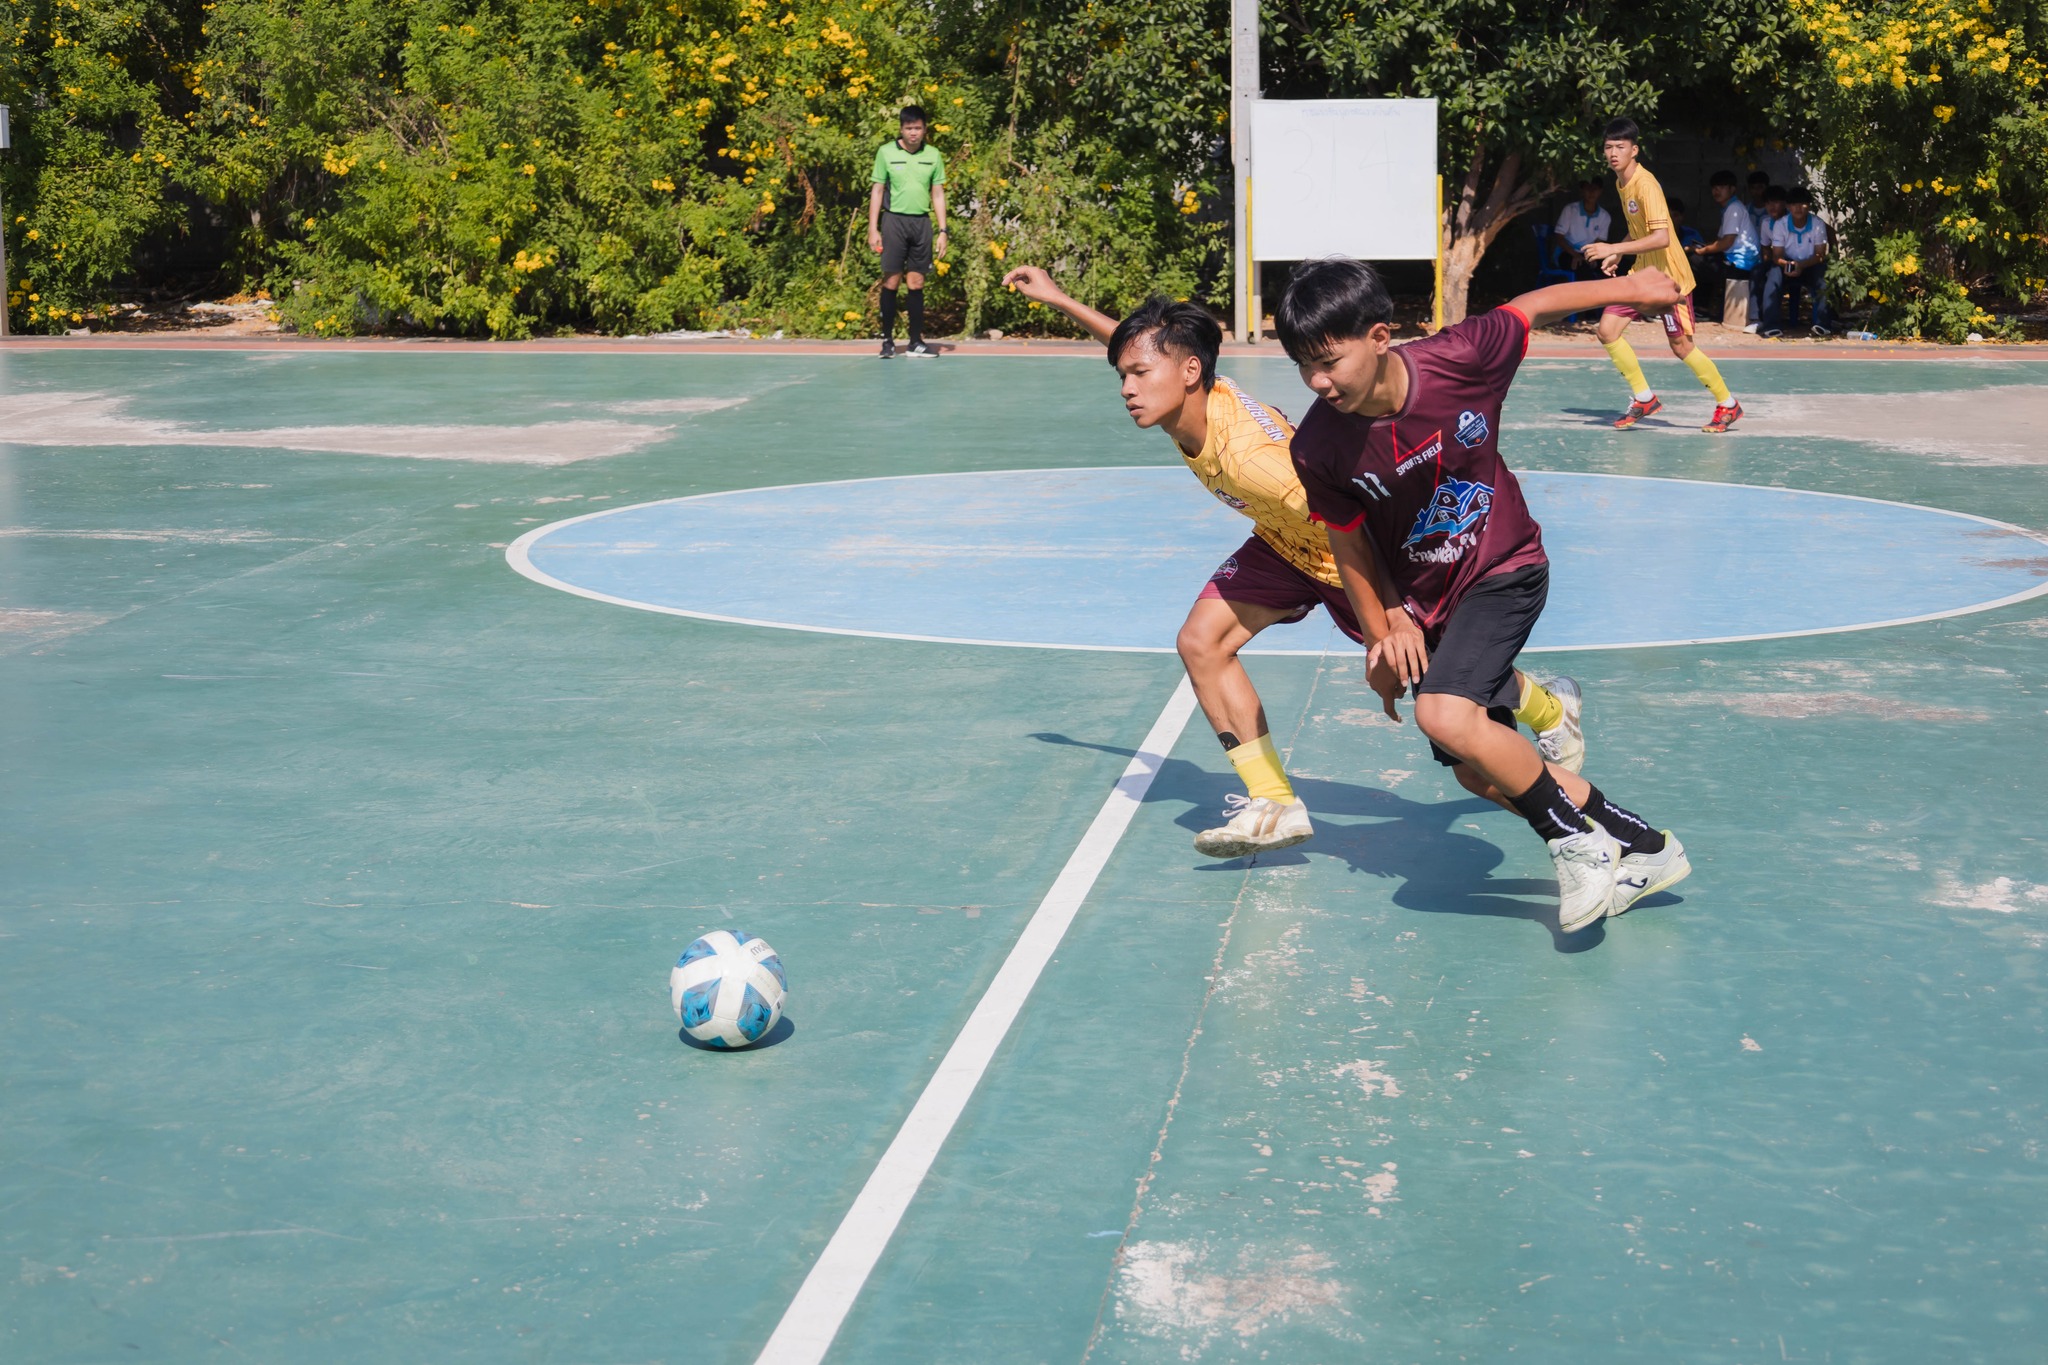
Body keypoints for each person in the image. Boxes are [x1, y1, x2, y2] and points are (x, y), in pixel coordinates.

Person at [999, 263, 1587, 860]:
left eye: (1137, 376)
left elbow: (1350, 529)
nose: (1128, 387)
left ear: (1188, 373)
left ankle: (1553, 721)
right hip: (1283, 542)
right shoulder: (1183, 390)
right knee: (1201, 641)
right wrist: (1058, 299)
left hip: (1341, 556)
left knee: (1448, 701)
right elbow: (1148, 352)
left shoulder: (1255, 461)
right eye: (1126, 374)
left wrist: (1393, 611)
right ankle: (1274, 801)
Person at [1276, 256, 1693, 932]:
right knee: (1479, 767)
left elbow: (1533, 304)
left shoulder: (1461, 357)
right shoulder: (1319, 445)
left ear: (1380, 337)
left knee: (1443, 713)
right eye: (1303, 366)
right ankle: (1645, 846)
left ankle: (1573, 841)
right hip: (1429, 603)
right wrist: (1385, 631)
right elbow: (1348, 544)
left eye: (1329, 360)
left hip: (1505, 566)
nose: (1317, 382)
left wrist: (1632, 290)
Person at [1582, 118, 1743, 434]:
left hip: (1669, 280)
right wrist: (1619, 251)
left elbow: (1662, 237)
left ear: (1635, 150)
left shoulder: (1646, 185)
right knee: (1607, 330)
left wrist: (1610, 246)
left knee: (1682, 347)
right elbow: (1638, 229)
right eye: (1609, 148)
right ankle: (1644, 398)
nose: (1614, 153)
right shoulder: (1621, 182)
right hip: (1643, 273)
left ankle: (1728, 404)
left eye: (1621, 147)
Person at [868, 105, 947, 358]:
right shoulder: (886, 152)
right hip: (893, 222)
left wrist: (943, 230)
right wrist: (873, 228)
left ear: (925, 130)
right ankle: (888, 342)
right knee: (891, 280)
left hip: (921, 224)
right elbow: (877, 190)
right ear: (901, 129)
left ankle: (915, 342)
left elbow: (937, 193)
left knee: (917, 282)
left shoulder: (933, 155)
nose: (913, 133)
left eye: (918, 128)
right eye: (909, 128)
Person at [1689, 170, 1762, 328]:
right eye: (1714, 187)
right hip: (1735, 261)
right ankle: (1703, 308)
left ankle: (1702, 308)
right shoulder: (1731, 207)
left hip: (1740, 266)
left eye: (1722, 187)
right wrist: (1705, 247)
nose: (1717, 191)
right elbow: (1721, 241)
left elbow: (1726, 243)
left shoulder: (1733, 209)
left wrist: (1704, 250)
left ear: (1732, 189)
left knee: (1696, 261)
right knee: (1701, 258)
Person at [1760, 186, 1833, 337]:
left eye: (1802, 204)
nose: (1798, 208)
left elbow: (1820, 255)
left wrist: (1802, 265)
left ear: (1809, 206)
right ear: (1788, 207)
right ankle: (1771, 326)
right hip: (1786, 264)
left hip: (1811, 265)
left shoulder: (1817, 224)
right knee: (1773, 277)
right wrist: (1788, 265)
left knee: (1823, 277)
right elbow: (1777, 255)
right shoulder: (1781, 224)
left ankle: (1822, 325)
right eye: (1794, 204)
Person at [1549, 180, 1612, 280]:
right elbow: (1559, 237)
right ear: (1582, 191)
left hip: (1589, 254)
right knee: (1582, 268)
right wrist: (1575, 255)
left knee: (1612, 265)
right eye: (1588, 189)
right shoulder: (1570, 210)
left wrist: (1593, 256)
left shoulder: (1604, 216)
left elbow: (1598, 241)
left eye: (1595, 189)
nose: (1591, 192)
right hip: (1568, 253)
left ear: (1600, 191)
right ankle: (1588, 295)